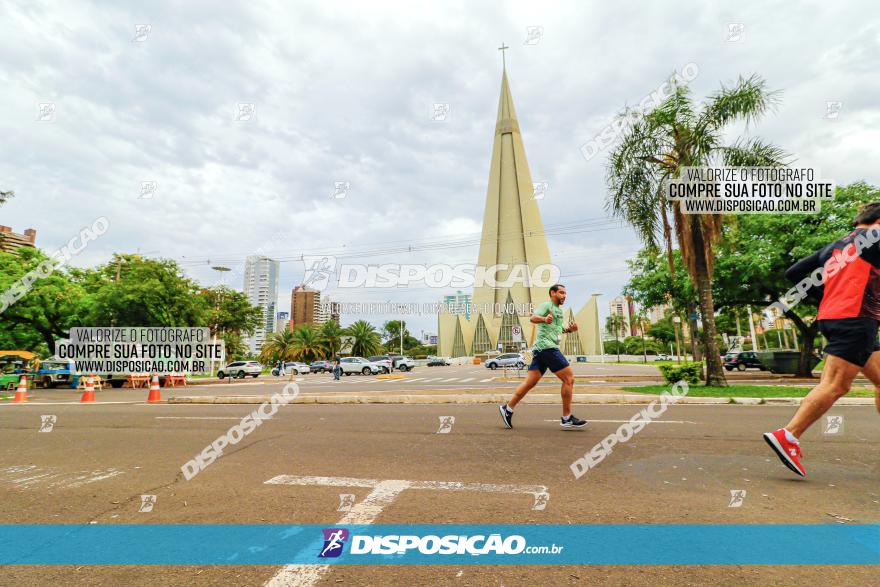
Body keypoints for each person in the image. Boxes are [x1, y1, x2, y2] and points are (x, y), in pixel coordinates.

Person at [764, 202, 880, 477]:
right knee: (836, 385)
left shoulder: (834, 247)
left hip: (834, 317)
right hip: (855, 321)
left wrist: (825, 296)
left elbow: (793, 273)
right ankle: (788, 435)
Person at [499, 284, 587, 430]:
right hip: (547, 348)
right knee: (569, 379)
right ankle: (566, 418)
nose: (564, 295)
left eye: (565, 293)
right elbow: (533, 318)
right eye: (561, 293)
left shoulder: (558, 310)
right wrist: (544, 319)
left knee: (529, 383)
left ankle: (507, 408)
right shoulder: (547, 305)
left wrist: (569, 330)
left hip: (540, 349)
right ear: (552, 293)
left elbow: (557, 330)